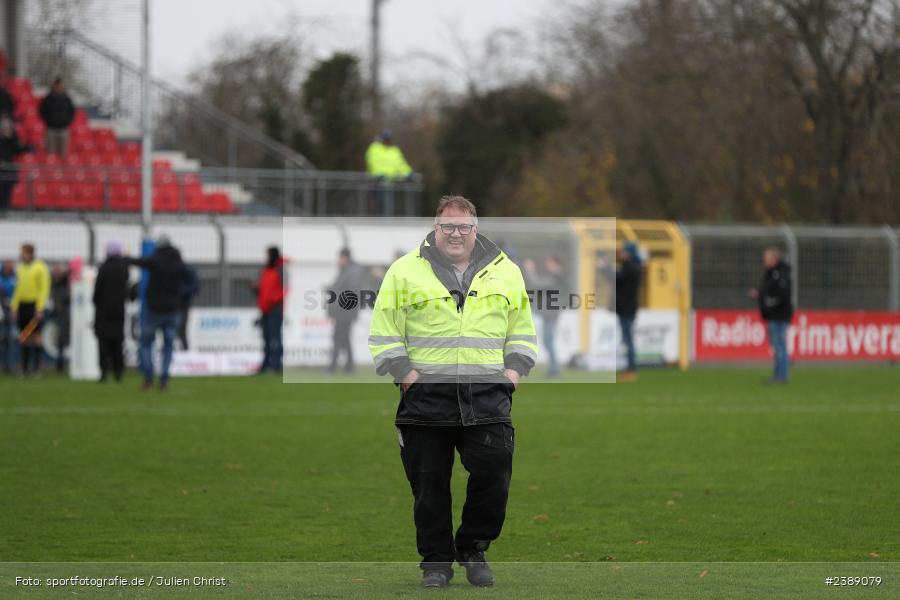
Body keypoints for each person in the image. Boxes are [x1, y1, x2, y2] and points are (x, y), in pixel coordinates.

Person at [369, 196, 537, 589]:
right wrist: (406, 375)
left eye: (463, 227)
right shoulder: (404, 270)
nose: (456, 234)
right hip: (426, 400)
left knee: (494, 476)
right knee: (428, 486)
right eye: (448, 227)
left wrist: (514, 372)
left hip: (488, 397)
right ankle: (436, 564)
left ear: (475, 229)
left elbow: (523, 328)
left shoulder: (505, 271)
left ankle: (474, 548)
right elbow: (384, 329)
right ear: (435, 228)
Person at [127, 235, 189, 390]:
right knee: (168, 346)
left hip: (154, 309)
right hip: (173, 309)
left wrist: (127, 258)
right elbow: (189, 279)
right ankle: (164, 379)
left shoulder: (155, 259)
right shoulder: (178, 262)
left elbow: (141, 262)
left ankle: (148, 376)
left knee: (146, 343)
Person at [749, 247, 794, 384]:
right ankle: (779, 374)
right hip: (773, 315)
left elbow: (782, 295)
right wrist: (761, 295)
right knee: (777, 346)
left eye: (766, 258)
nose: (764, 260)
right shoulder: (771, 273)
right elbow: (768, 291)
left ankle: (782, 376)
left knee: (779, 346)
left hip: (779, 315)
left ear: (774, 259)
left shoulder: (780, 274)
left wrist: (769, 302)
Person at [10, 243, 51, 378]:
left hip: (34, 306)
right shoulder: (20, 268)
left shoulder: (40, 267)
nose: (21, 255)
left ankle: (36, 369)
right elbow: (17, 289)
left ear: (30, 253)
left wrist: (39, 308)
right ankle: (25, 368)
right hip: (22, 306)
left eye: (23, 252)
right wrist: (14, 307)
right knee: (24, 337)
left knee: (36, 337)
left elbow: (44, 289)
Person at [93, 241, 130, 382]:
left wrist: (97, 304)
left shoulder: (103, 268)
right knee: (118, 342)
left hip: (103, 311)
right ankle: (118, 372)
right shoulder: (123, 268)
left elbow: (97, 292)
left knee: (103, 342)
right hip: (119, 311)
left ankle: (104, 372)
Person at [523, 255, 566, 376]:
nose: (548, 265)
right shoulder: (556, 276)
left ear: (557, 264)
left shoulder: (556, 277)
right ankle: (553, 368)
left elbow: (537, 283)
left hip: (551, 314)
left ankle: (554, 369)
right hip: (549, 314)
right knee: (548, 341)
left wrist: (530, 270)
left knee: (548, 341)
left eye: (550, 263)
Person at [326, 248, 366, 374]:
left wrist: (335, 308)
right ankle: (348, 366)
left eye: (340, 257)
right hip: (343, 312)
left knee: (338, 338)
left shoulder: (351, 272)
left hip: (344, 312)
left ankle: (334, 365)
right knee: (344, 338)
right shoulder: (348, 270)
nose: (339, 260)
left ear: (345, 257)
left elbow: (349, 293)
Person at [365, 129, 413, 215]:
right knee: (378, 205)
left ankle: (385, 221)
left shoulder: (394, 151)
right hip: (376, 183)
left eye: (389, 139)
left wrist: (408, 173)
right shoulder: (375, 148)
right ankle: (377, 222)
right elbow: (372, 162)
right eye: (386, 138)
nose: (387, 141)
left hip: (389, 183)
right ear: (382, 138)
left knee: (387, 205)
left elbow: (401, 164)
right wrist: (378, 175)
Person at [615, 242, 642, 381]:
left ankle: (631, 369)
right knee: (626, 339)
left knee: (628, 339)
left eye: (623, 251)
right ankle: (628, 367)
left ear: (629, 253)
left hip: (627, 308)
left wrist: (604, 268)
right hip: (626, 308)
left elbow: (617, 278)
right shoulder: (631, 267)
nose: (621, 254)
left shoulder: (630, 268)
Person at [39, 78, 75, 156]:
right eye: (57, 85)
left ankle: (63, 167)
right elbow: (42, 111)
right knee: (51, 153)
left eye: (61, 85)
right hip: (51, 129)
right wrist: (49, 121)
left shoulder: (67, 99)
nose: (59, 87)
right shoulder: (48, 98)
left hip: (63, 128)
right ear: (54, 86)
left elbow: (72, 112)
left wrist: (67, 121)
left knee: (63, 153)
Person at [0, 115, 28, 211]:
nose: (6, 130)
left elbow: (19, 149)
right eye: (4, 128)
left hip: (8, 172)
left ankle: (5, 210)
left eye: (8, 128)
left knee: (6, 194)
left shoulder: (13, 140)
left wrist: (11, 139)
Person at [49, 264, 71, 374]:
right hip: (57, 313)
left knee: (62, 338)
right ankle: (59, 363)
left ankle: (61, 363)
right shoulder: (52, 283)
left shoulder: (64, 283)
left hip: (63, 313)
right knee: (60, 339)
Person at [177, 264, 200, 351]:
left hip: (182, 306)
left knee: (181, 330)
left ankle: (185, 351)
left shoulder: (186, 273)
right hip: (172, 306)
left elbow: (195, 288)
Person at [0, 260, 16, 373]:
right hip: (1, 310)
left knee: (9, 338)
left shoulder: (15, 278)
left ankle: (8, 365)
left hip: (11, 310)